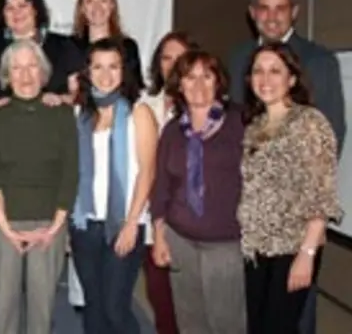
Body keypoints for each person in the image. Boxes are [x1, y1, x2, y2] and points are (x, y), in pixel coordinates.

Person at [229, 0, 346, 334]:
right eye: (264, 8)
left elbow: (325, 163)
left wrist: (308, 249)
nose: (272, 16)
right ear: (253, 14)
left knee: (294, 323)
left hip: (294, 239)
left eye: (281, 8)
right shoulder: (241, 68)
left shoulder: (316, 80)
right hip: (257, 241)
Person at [0, 38, 78, 334]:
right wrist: (7, 228)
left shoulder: (61, 114)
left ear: (43, 72)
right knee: (2, 310)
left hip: (50, 224)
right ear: (6, 75)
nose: (24, 75)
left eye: (31, 66)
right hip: (1, 224)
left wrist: (55, 227)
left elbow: (70, 172)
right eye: (16, 68)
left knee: (42, 310)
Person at [151, 50, 247, 334]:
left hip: (225, 245)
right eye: (190, 77)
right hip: (180, 240)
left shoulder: (240, 122)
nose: (198, 84)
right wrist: (159, 236)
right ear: (179, 85)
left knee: (227, 323)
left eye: (207, 76)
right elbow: (161, 188)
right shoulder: (171, 131)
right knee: (191, 322)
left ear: (219, 82)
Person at [69, 37, 157, 334]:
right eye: (98, 67)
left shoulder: (138, 113)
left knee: (115, 309)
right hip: (85, 225)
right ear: (87, 72)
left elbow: (147, 171)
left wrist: (132, 223)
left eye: (113, 67)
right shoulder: (81, 116)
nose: (105, 75)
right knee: (93, 307)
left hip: (123, 223)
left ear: (124, 71)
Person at [141, 30, 199, 334]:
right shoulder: (143, 106)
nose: (173, 64)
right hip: (152, 221)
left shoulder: (208, 109)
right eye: (166, 57)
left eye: (180, 57)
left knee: (193, 306)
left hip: (196, 225)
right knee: (161, 300)